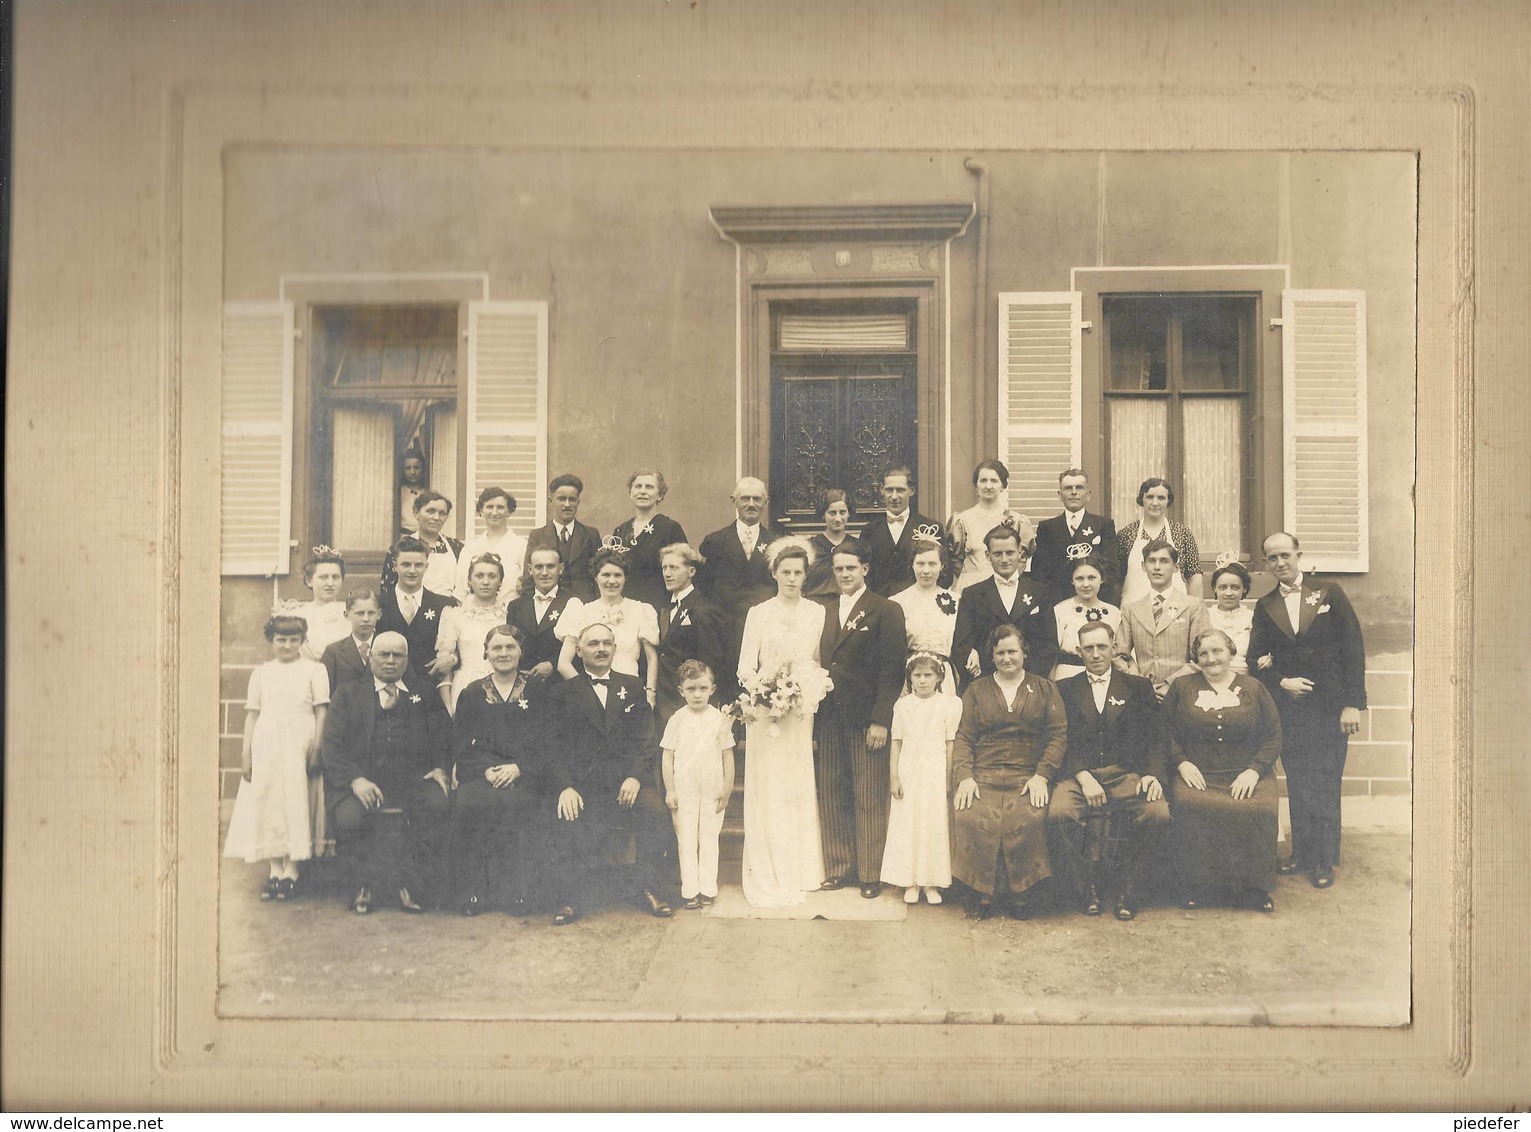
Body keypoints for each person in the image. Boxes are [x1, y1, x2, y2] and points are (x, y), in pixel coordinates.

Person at [1247, 531, 1367, 890]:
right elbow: (1255, 658)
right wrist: (1282, 682)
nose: (1280, 563)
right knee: (1298, 782)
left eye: (1285, 555)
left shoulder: (1330, 593)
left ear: (1299, 554)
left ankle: (1322, 858)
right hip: (1292, 709)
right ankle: (1300, 853)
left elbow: (1353, 650)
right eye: (1272, 558)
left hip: (1331, 708)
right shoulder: (1265, 604)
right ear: (1266, 564)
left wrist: (1352, 704)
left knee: (1326, 781)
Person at [543, 623, 676, 925]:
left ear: (616, 649)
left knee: (654, 810)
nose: (601, 649)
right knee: (564, 814)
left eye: (607, 643)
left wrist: (634, 777)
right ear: (579, 651)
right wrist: (565, 786)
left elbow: (646, 739)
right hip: (582, 785)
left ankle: (650, 887)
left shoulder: (631, 686)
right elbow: (551, 745)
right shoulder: (561, 693)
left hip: (624, 783)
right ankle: (569, 898)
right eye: (593, 644)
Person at [321, 632, 452, 915]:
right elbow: (331, 745)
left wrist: (440, 767)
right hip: (361, 781)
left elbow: (444, 736)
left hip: (413, 780)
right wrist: (355, 780)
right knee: (350, 818)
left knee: (437, 805)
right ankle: (363, 884)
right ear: (371, 657)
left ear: (407, 659)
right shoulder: (348, 694)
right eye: (384, 655)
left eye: (398, 655)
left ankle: (410, 883)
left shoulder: (424, 693)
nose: (391, 661)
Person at [1048, 622, 1170, 920]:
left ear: (1114, 647)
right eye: (1088, 648)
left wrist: (1152, 773)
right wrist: (1082, 775)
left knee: (1158, 814)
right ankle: (1086, 887)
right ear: (1079, 651)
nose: (1096, 654)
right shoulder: (1063, 689)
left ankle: (1129, 888)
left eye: (1102, 647)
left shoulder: (1138, 687)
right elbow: (1058, 739)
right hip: (1081, 776)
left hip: (1126, 774)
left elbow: (1155, 735)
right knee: (1058, 815)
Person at [735, 537, 829, 907]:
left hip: (799, 711)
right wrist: (763, 690)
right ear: (773, 573)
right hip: (764, 714)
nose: (792, 579)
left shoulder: (817, 612)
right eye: (785, 572)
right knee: (769, 786)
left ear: (806, 576)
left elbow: (818, 661)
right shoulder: (758, 613)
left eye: (798, 573)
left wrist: (803, 692)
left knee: (796, 785)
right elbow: (745, 665)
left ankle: (801, 869)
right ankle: (769, 868)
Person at [950, 626, 1068, 919]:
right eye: (1000, 652)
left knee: (1029, 816)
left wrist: (1042, 775)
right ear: (992, 655)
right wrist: (965, 776)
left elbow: (1058, 735)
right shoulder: (976, 690)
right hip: (984, 775)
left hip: (1027, 775)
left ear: (1024, 653)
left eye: (1012, 651)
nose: (1006, 658)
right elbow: (964, 736)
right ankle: (981, 893)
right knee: (971, 814)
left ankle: (1023, 893)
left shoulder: (1044, 687)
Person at [1162, 628, 1283, 913]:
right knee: (1190, 804)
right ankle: (1197, 886)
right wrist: (1181, 762)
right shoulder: (1182, 687)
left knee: (1260, 808)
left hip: (1245, 772)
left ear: (1231, 652)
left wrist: (1254, 770)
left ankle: (1254, 888)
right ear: (1196, 658)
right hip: (1198, 772)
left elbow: (1274, 734)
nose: (1211, 658)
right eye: (1203, 653)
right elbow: (1162, 729)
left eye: (1217, 651)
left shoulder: (1253, 687)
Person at [813, 539, 908, 898]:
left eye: (851, 568)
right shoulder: (824, 609)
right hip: (829, 716)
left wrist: (881, 719)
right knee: (832, 790)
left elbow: (892, 669)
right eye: (838, 569)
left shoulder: (885, 609)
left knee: (868, 794)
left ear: (865, 569)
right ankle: (839, 868)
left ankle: (870, 872)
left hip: (866, 718)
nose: (844, 575)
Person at [223, 614, 331, 901]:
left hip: (300, 741)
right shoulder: (261, 673)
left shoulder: (314, 670)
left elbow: (322, 712)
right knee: (267, 800)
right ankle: (274, 869)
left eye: (294, 640)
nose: (287, 646)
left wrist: (317, 748)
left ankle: (292, 869)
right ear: (271, 641)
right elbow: (252, 715)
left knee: (296, 800)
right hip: (267, 742)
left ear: (302, 642)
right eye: (281, 640)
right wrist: (246, 754)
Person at [449, 624, 545, 917]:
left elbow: (549, 740)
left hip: (524, 773)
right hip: (483, 774)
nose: (503, 653)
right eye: (497, 648)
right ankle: (473, 892)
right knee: (469, 804)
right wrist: (485, 772)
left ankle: (520, 892)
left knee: (525, 807)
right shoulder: (472, 693)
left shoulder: (540, 691)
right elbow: (461, 745)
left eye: (510, 647)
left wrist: (520, 768)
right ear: (486, 653)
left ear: (520, 652)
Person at [878, 652, 962, 905]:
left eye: (928, 675)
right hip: (909, 771)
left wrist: (948, 779)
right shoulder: (902, 705)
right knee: (909, 823)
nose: (923, 680)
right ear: (910, 678)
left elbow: (950, 745)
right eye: (917, 675)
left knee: (933, 824)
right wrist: (894, 777)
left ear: (939, 678)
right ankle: (910, 882)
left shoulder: (949, 704)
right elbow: (896, 743)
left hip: (935, 771)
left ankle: (931, 883)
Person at [660, 660, 737, 910]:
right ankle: (689, 889)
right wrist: (670, 789)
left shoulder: (720, 719)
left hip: (712, 788)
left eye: (703, 688)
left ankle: (707, 888)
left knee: (709, 837)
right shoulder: (677, 719)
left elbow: (727, 755)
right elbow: (667, 755)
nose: (697, 695)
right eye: (691, 689)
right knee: (686, 837)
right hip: (685, 788)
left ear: (712, 689)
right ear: (681, 691)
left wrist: (727, 789)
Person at [696, 477, 779, 694]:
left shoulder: (777, 543)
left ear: (766, 502)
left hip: (764, 630)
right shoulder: (715, 541)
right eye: (745, 498)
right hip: (726, 630)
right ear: (734, 501)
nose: (751, 504)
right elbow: (704, 587)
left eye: (757, 499)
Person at [949, 524, 1059, 681]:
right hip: (986, 682)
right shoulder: (972, 595)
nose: (1004, 559)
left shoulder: (1040, 593)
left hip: (1030, 681)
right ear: (987, 555)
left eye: (1010, 553)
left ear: (1020, 553)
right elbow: (961, 645)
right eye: (997, 554)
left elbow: (1049, 644)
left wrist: (1029, 679)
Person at [553, 545, 661, 701]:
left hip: (629, 690)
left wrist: (650, 694)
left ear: (625, 578)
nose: (612, 581)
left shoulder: (639, 610)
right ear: (596, 577)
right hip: (592, 692)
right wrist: (586, 692)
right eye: (606, 575)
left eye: (618, 575)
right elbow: (563, 663)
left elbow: (652, 658)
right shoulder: (581, 611)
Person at [1115, 539, 1209, 698]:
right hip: (1142, 694)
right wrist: (1138, 681)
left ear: (1176, 567)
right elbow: (1119, 655)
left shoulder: (1193, 606)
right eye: (1151, 561)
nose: (1157, 567)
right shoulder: (1131, 609)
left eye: (1164, 561)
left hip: (1184, 692)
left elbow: (1204, 654)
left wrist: (1170, 685)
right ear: (1143, 567)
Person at [655, 543, 728, 729]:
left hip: (689, 699)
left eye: (674, 567)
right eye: (664, 567)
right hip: (666, 697)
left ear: (691, 571)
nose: (667, 573)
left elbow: (710, 660)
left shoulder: (704, 609)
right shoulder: (665, 606)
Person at [376, 535, 459, 693]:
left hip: (430, 693)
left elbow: (463, 649)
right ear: (395, 566)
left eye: (418, 565)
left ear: (426, 567)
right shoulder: (379, 604)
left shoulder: (444, 606)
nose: (412, 571)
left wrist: (453, 658)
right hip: (388, 691)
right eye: (406, 564)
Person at [434, 552, 511, 714]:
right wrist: (448, 705)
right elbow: (444, 666)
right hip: (465, 687)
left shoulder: (509, 615)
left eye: (492, 576)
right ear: (469, 580)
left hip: (503, 685)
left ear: (500, 582)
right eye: (479, 576)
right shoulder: (455, 615)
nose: (485, 582)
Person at [946, 459, 1035, 595]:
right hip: (971, 586)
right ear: (976, 484)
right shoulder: (962, 520)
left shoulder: (1016, 520)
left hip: (1005, 588)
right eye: (983, 480)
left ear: (1003, 485)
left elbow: (1022, 560)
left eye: (994, 481)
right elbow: (955, 561)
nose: (988, 486)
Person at [1031, 468, 1119, 605]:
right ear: (1060, 495)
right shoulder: (1047, 528)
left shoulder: (1103, 525)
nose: (1073, 492)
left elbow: (1111, 569)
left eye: (1079, 487)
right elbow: (1040, 572)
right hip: (1057, 601)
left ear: (1088, 494)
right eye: (1068, 488)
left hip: (1094, 600)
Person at [888, 528, 961, 693]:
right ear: (912, 564)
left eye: (932, 564)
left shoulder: (956, 600)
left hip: (943, 676)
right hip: (912, 677)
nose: (926, 570)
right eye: (920, 564)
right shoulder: (897, 602)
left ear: (942, 565)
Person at [610, 469, 688, 612]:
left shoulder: (669, 528)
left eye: (649, 487)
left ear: (660, 495)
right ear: (631, 493)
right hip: (623, 607)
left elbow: (682, 572)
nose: (643, 491)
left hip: (657, 605)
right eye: (638, 486)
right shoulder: (621, 531)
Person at [1116, 477, 1202, 605]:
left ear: (1168, 501)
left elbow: (1194, 575)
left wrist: (1196, 610)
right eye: (1150, 497)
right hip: (1134, 610)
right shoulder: (1127, 534)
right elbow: (1117, 578)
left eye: (1161, 498)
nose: (1155, 503)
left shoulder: (1182, 533)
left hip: (1175, 609)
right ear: (1142, 499)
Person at [519, 473, 601, 602]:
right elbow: (529, 579)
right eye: (561, 499)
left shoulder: (591, 535)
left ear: (578, 502)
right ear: (551, 500)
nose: (567, 504)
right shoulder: (537, 536)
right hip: (548, 604)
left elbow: (599, 576)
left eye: (572, 499)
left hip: (583, 605)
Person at [861, 467, 939, 598]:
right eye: (889, 490)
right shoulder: (869, 530)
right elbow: (862, 570)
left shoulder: (930, 527)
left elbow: (944, 572)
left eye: (900, 490)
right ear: (881, 490)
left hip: (918, 603)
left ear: (911, 491)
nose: (894, 497)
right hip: (880, 605)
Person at [1050, 555, 1122, 681]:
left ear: (1102, 579)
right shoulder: (1060, 610)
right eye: (1079, 578)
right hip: (1069, 675)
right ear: (1072, 580)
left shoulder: (1113, 613)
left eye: (1092, 578)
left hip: (1105, 677)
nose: (1086, 584)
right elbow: (1051, 654)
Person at [505, 547, 573, 680]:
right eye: (539, 567)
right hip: (522, 682)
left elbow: (580, 648)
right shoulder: (516, 606)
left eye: (550, 566)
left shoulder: (572, 604)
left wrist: (553, 664)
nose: (544, 572)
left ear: (561, 568)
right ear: (530, 569)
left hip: (559, 684)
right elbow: (511, 644)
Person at [452, 487, 525, 605]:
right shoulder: (470, 548)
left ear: (509, 512)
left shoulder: (521, 546)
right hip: (474, 616)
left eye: (500, 507)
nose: (494, 512)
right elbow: (460, 592)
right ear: (481, 511)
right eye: (489, 507)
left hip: (509, 614)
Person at [381, 490, 462, 596]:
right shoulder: (400, 548)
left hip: (449, 609)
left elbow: (463, 587)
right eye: (430, 511)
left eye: (442, 513)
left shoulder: (456, 547)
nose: (436, 518)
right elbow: (388, 591)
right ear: (416, 512)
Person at [320, 589, 382, 694]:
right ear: (346, 615)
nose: (366, 619)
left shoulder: (388, 647)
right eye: (360, 613)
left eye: (371, 613)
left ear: (379, 614)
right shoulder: (333, 653)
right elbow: (325, 691)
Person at [295, 547, 351, 662]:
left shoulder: (352, 614)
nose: (330, 583)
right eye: (323, 577)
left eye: (335, 577)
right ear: (309, 581)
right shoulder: (297, 616)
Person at [804, 488, 860, 598]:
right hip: (816, 606)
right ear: (823, 514)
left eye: (842, 512)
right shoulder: (810, 546)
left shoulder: (858, 546)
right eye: (832, 513)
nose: (838, 518)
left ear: (849, 514)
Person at [1207, 557, 1255, 673]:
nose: (1228, 593)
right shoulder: (1205, 615)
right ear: (1215, 588)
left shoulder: (1253, 617)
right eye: (1223, 587)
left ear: (1244, 589)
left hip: (1245, 678)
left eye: (1235, 587)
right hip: (1211, 677)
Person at [398, 445, 427, 533]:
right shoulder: (398, 492)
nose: (412, 472)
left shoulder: (427, 492)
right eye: (408, 468)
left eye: (416, 467)